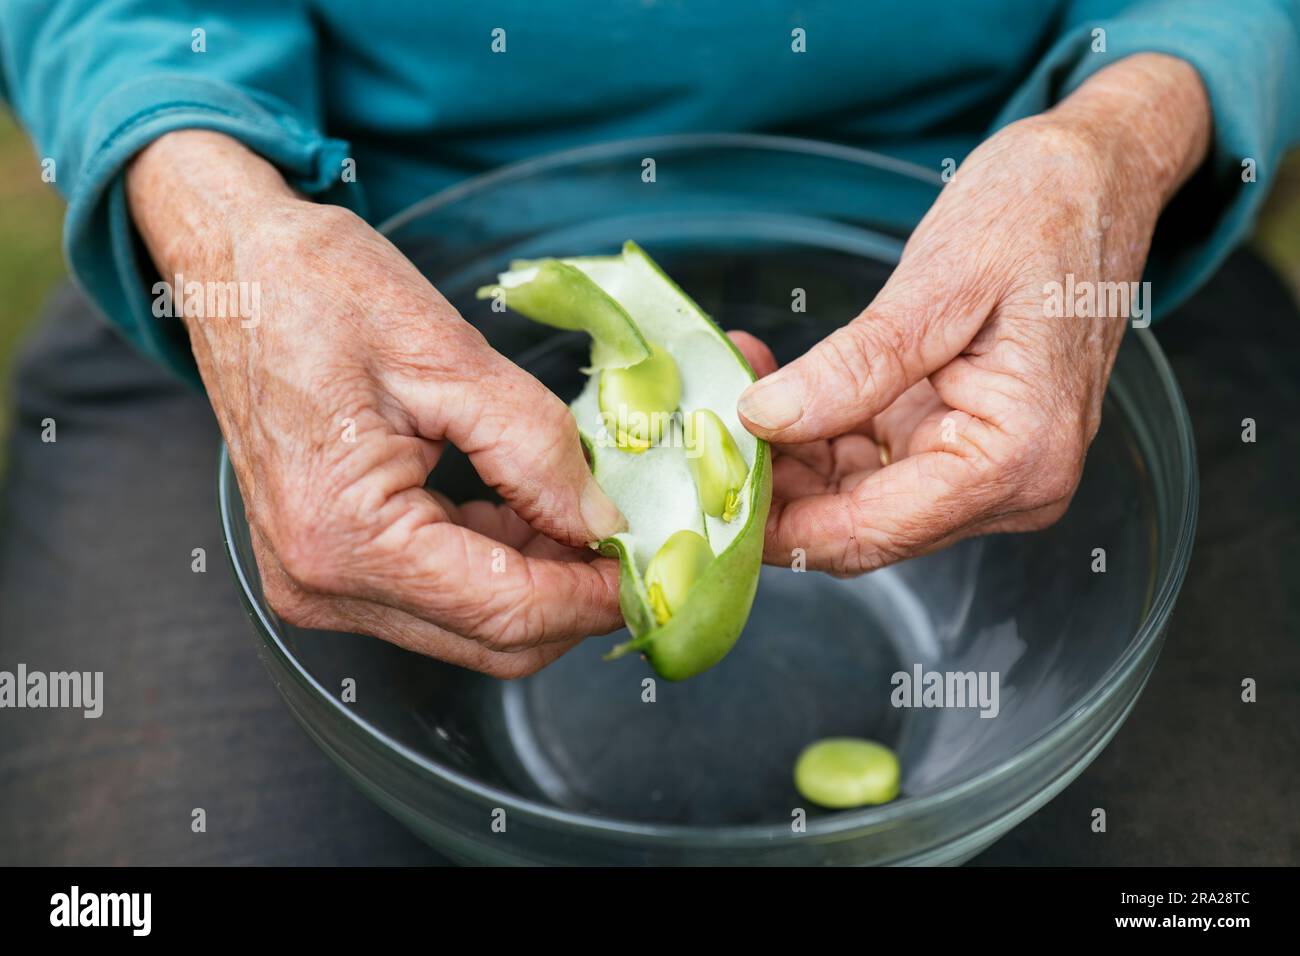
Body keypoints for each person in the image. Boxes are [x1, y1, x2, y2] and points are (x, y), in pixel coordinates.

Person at [1, 2, 1298, 864]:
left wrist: (1128, 132)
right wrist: (217, 216)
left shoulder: (1084, 192)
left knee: (1213, 861)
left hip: (1035, 235)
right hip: (324, 264)